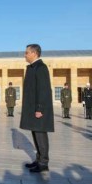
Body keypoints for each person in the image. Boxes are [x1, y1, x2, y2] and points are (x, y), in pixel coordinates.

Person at [20, 44, 54, 173]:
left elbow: (43, 90)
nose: (25, 55)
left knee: (40, 133)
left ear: (34, 53)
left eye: (27, 52)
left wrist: (40, 108)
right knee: (35, 133)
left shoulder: (41, 67)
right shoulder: (32, 68)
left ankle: (44, 163)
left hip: (39, 108)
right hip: (33, 107)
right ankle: (38, 159)